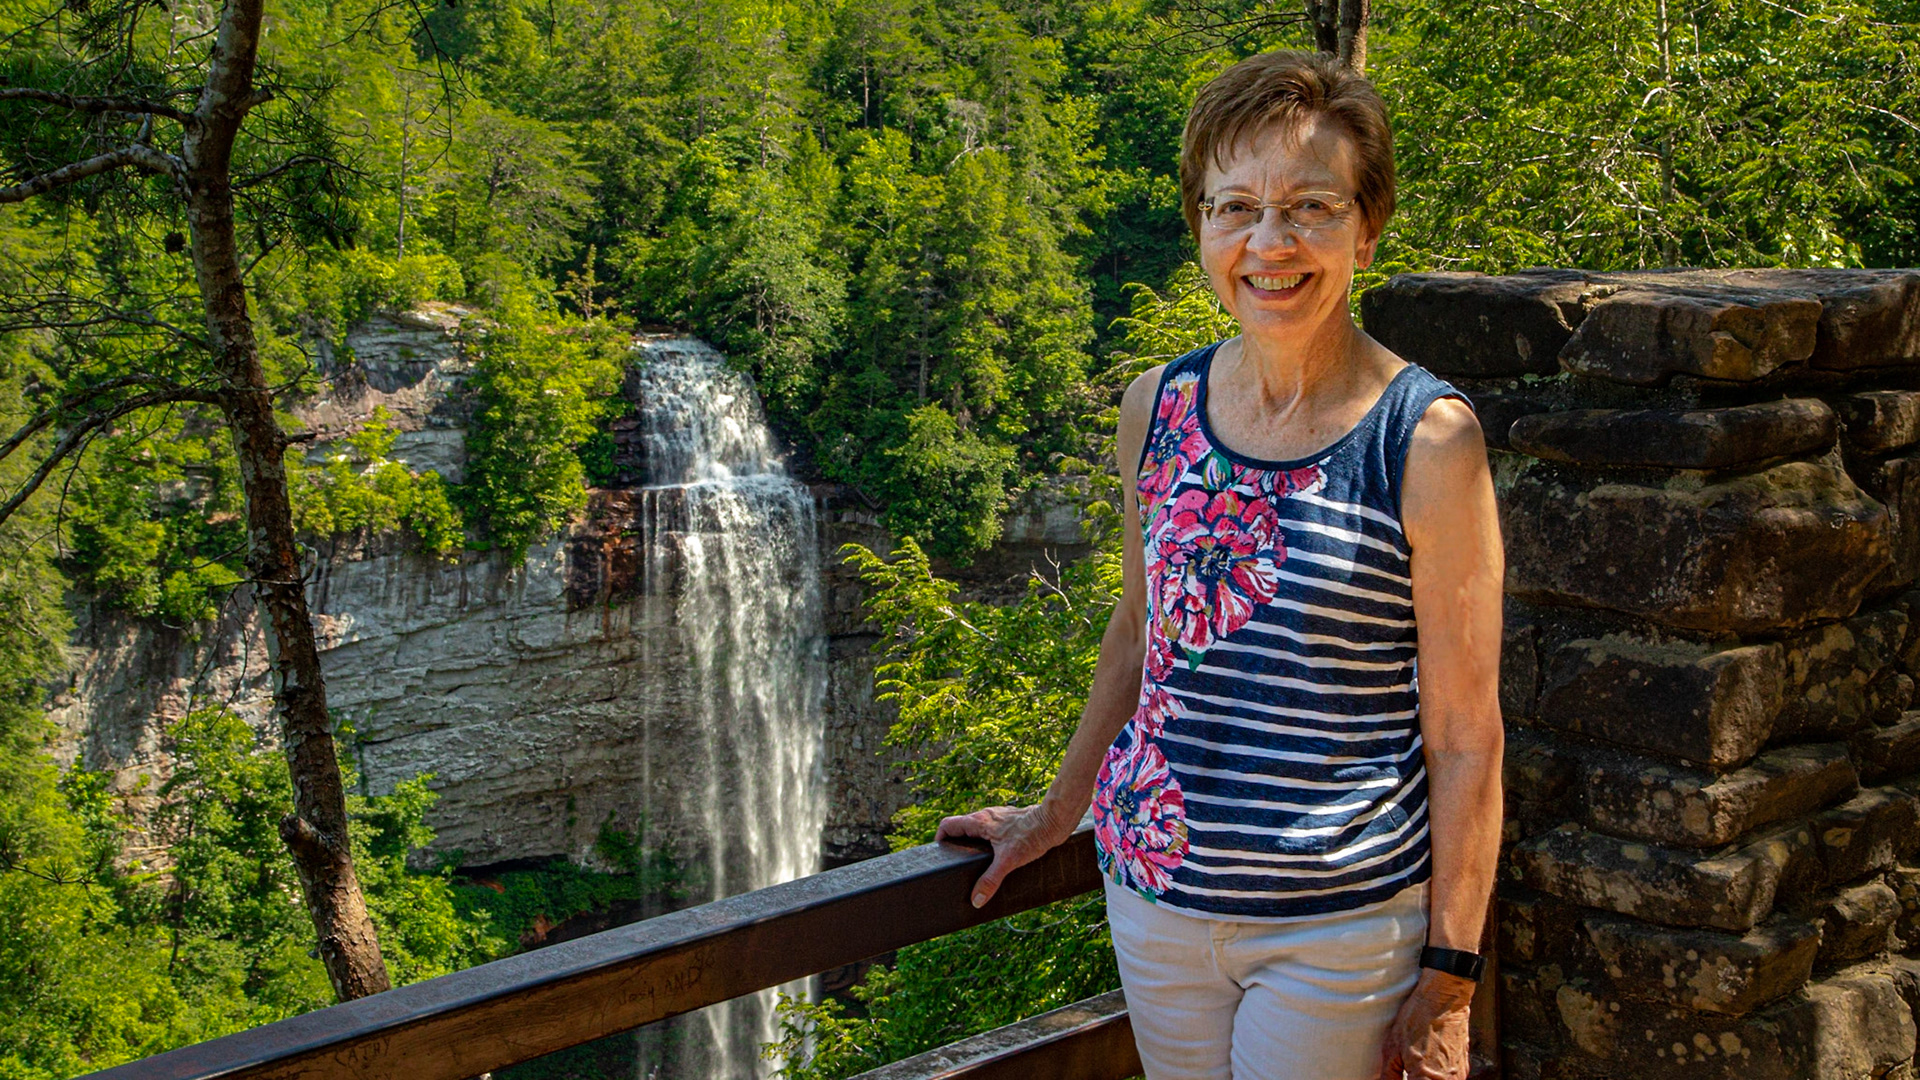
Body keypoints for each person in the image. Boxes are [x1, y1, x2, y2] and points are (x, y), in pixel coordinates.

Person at [934, 50, 1505, 1080]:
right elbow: (1139, 627)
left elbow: (1467, 736)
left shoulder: (1425, 440)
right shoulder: (1157, 407)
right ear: (1201, 227)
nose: (1269, 242)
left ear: (1365, 230)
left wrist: (1451, 972)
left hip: (1334, 925)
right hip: (1154, 899)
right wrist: (1058, 812)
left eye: (1311, 208)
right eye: (1233, 206)